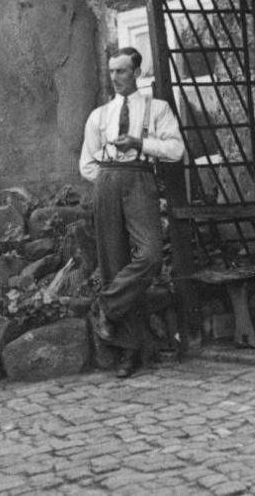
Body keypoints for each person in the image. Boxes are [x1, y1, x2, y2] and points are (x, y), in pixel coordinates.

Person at [79, 46, 185, 378]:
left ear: (137, 72)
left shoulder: (158, 108)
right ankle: (129, 353)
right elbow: (86, 163)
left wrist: (140, 145)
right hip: (108, 181)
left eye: (122, 71)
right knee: (114, 264)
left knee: (151, 256)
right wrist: (108, 179)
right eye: (112, 71)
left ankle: (106, 305)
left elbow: (176, 149)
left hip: (140, 180)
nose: (116, 77)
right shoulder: (99, 115)